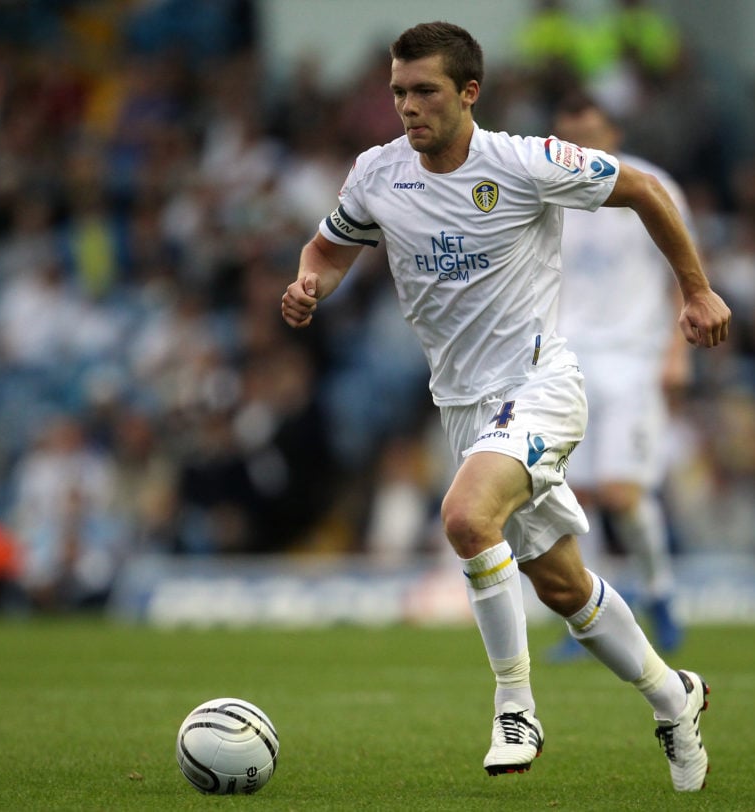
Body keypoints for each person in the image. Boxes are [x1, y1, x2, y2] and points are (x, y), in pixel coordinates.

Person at [281, 22, 730, 792]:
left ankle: (515, 705)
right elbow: (329, 248)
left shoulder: (525, 161)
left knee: (463, 519)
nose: (408, 108)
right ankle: (672, 693)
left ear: (469, 93)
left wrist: (696, 290)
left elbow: (646, 189)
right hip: (463, 406)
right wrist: (309, 286)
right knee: (563, 586)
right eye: (398, 92)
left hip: (540, 386)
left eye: (424, 91)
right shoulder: (377, 174)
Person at [548, 94, 692, 658]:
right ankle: (592, 617)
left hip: (634, 357)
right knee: (570, 498)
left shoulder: (650, 186)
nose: (583, 145)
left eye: (592, 133)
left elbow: (683, 269)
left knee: (621, 491)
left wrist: (679, 354)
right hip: (567, 359)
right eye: (572, 134)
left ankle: (659, 590)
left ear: (615, 132)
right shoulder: (549, 187)